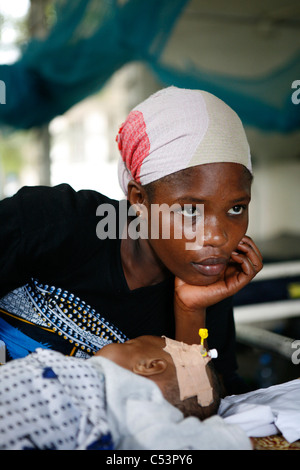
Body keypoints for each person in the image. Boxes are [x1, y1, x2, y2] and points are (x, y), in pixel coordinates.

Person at [0, 86, 263, 395]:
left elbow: (199, 405)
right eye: (191, 210)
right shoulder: (50, 222)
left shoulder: (205, 279)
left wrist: (191, 311)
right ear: (139, 199)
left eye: (236, 208)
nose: (218, 236)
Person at [0, 335, 252, 450]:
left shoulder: (135, 396)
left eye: (128, 343)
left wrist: (231, 438)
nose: (120, 342)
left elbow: (168, 443)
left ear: (149, 367)